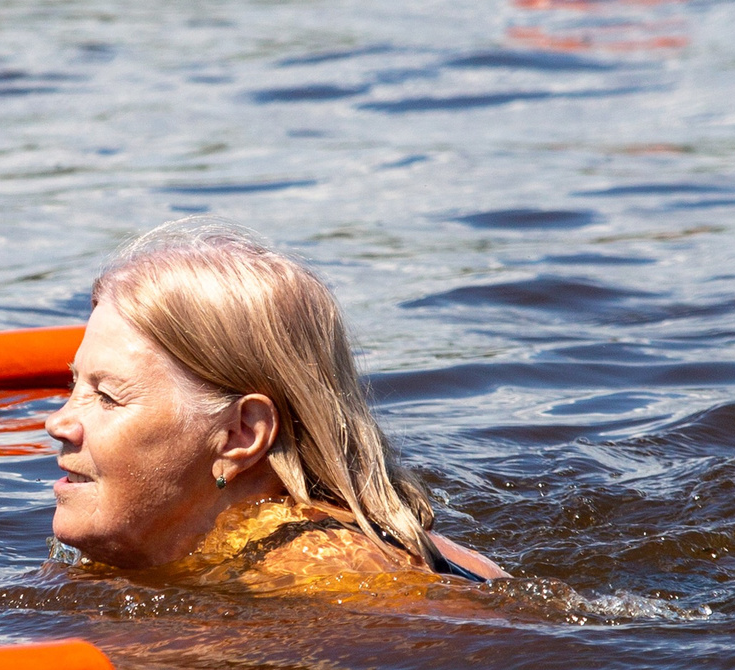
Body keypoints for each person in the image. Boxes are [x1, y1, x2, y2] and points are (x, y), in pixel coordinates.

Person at [44, 220, 503, 593]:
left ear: (240, 434)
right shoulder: (171, 545)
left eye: (107, 396)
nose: (58, 422)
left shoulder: (339, 581)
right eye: (74, 384)